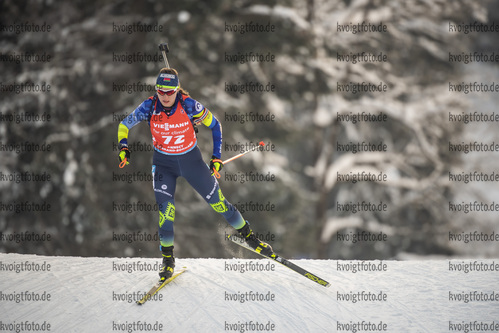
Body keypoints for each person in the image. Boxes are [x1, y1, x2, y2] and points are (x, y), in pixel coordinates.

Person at [117, 68, 272, 282]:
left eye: (170, 92)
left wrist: (216, 158)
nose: (165, 96)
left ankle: (250, 237)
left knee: (219, 203)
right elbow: (124, 124)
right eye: (160, 91)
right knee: (166, 213)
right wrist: (124, 147)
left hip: (192, 163)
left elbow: (216, 125)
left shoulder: (190, 106)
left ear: (177, 90)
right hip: (163, 165)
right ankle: (168, 261)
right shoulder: (149, 106)